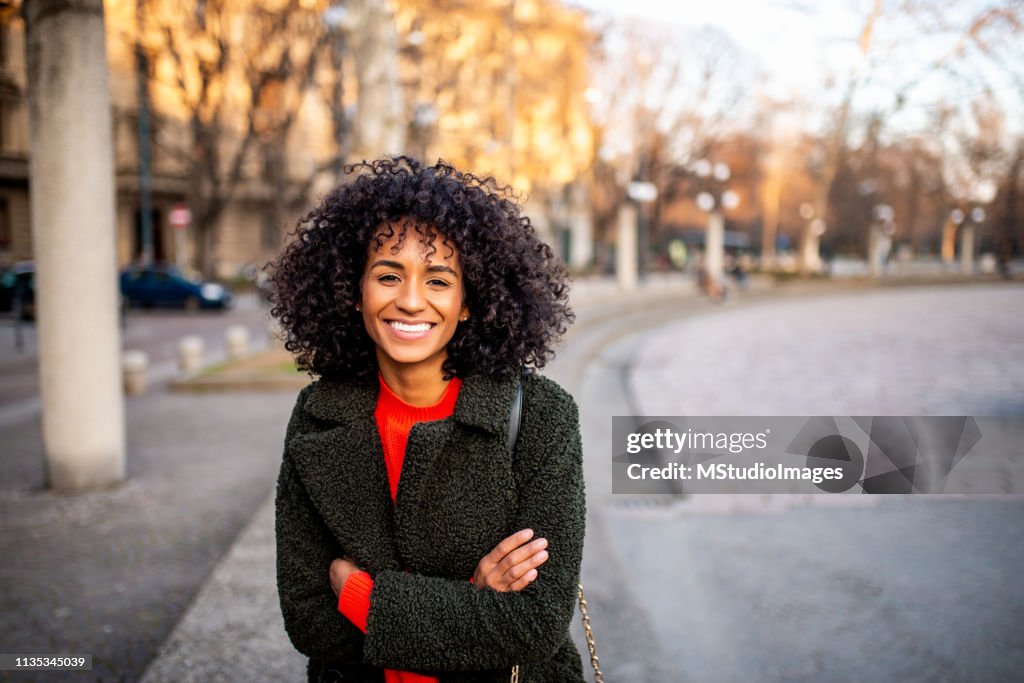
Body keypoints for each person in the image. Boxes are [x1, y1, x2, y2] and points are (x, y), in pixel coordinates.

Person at [268, 156, 587, 683]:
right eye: (388, 275)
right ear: (355, 291)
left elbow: (537, 622)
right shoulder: (318, 416)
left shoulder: (541, 416)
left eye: (438, 280)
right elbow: (309, 622)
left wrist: (360, 595)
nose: (411, 301)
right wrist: (473, 600)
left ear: (467, 301)